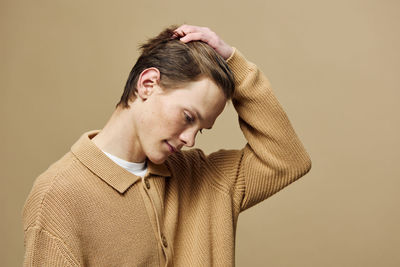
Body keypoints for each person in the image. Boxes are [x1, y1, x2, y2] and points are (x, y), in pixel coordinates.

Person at [22, 24, 312, 266]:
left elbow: (287, 159)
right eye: (188, 117)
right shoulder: (58, 196)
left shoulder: (205, 178)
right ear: (148, 84)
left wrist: (234, 62)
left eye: (201, 129)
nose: (190, 139)